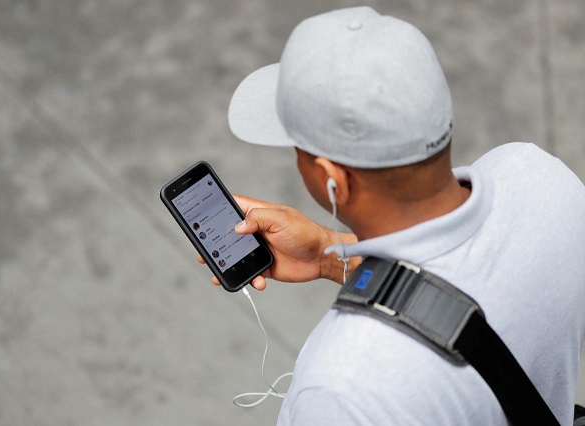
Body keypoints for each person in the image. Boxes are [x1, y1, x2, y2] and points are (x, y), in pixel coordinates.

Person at [199, 6, 585, 425]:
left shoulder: (341, 388)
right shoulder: (539, 176)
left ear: (333, 181)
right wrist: (330, 253)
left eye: (299, 151)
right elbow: (477, 276)